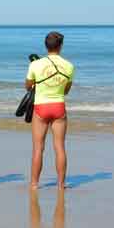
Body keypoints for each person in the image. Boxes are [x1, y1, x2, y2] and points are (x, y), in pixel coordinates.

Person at [25, 31, 74, 190]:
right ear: (61, 46)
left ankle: (34, 184)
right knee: (59, 146)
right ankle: (61, 184)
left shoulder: (35, 64)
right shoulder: (69, 65)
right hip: (59, 106)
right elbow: (66, 91)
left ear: (46, 46)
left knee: (38, 148)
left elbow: (28, 86)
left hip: (41, 107)